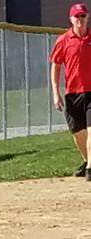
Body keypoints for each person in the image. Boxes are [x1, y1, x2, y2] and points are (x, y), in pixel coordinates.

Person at [51, 2, 91, 179]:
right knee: (78, 133)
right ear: (71, 19)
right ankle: (87, 160)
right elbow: (56, 65)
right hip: (72, 93)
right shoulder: (64, 40)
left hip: (90, 92)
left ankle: (90, 167)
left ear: (87, 17)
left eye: (83, 16)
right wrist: (55, 92)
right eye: (77, 16)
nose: (80, 19)